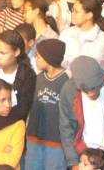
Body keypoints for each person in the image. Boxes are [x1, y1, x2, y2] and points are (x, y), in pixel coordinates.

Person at [23, 39, 69, 170]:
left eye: (38, 56)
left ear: (48, 57)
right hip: (34, 137)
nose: (35, 59)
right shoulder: (37, 79)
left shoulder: (68, 81)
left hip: (56, 140)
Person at [59, 0, 104, 70]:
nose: (72, 14)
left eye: (76, 12)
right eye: (72, 10)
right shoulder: (66, 33)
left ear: (89, 15)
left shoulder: (101, 39)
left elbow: (91, 67)